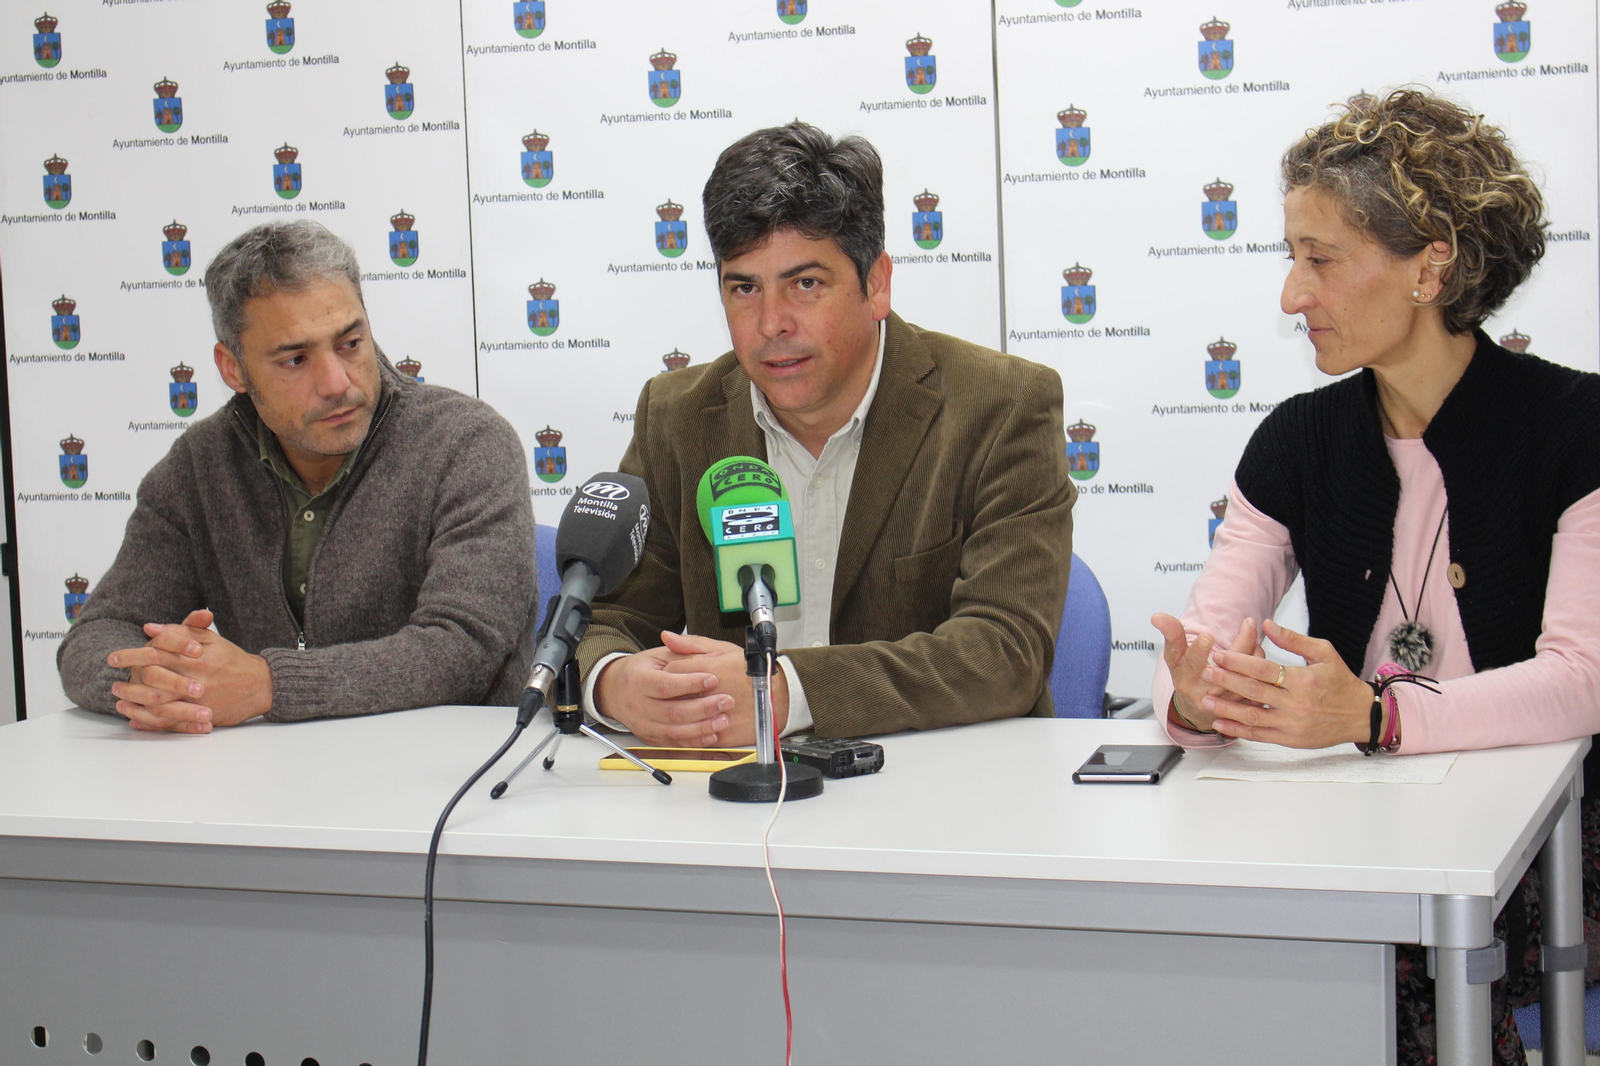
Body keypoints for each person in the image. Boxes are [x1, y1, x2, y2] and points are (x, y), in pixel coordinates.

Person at [1150, 90, 1600, 1065]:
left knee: (1382, 970)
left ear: (1429, 265)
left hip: (1544, 851)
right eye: (1291, 255)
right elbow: (1199, 644)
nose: (1289, 295)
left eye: (1320, 258)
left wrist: (1374, 717)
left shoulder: (1574, 429)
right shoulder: (1296, 441)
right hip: (1356, 846)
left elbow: (1580, 679)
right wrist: (1195, 696)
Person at [578, 122, 1075, 746]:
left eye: (805, 284)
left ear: (876, 284)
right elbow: (603, 616)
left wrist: (785, 692)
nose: (771, 324)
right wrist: (614, 681)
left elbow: (1005, 649)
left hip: (939, 797)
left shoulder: (1002, 407)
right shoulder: (678, 415)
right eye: (743, 288)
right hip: (731, 811)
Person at [58, 220, 540, 731]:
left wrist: (266, 684)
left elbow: (464, 648)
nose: (337, 383)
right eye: (295, 359)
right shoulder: (198, 467)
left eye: (351, 343)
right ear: (233, 369)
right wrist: (167, 685)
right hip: (272, 785)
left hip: (453, 777)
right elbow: (96, 636)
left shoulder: (466, 442)